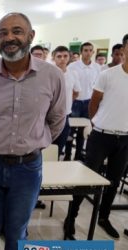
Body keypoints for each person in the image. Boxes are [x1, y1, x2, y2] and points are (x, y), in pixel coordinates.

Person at [0, 13, 66, 250]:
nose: (9, 37)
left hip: (28, 168)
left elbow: (57, 118)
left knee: (17, 230)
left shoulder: (52, 76)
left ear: (31, 36)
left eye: (17, 31)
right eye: (3, 33)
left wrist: (32, 141)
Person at [64, 34, 128, 240]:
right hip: (101, 135)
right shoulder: (108, 74)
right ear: (124, 49)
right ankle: (71, 218)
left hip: (125, 139)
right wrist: (96, 123)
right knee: (86, 179)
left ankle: (104, 216)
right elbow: (94, 103)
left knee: (114, 180)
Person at [64, 42, 101, 161]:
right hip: (76, 102)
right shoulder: (72, 66)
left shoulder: (97, 67)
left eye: (90, 50)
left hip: (89, 102)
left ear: (93, 52)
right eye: (85, 50)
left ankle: (78, 155)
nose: (88, 53)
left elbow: (97, 86)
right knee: (70, 130)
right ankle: (67, 155)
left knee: (83, 131)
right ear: (81, 52)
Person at [52, 46, 81, 158]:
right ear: (54, 58)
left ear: (69, 57)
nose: (62, 59)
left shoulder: (73, 73)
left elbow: (76, 92)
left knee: (59, 147)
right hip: (49, 116)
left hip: (65, 116)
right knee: (46, 147)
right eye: (59, 56)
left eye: (65, 56)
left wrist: (66, 103)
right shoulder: (49, 73)